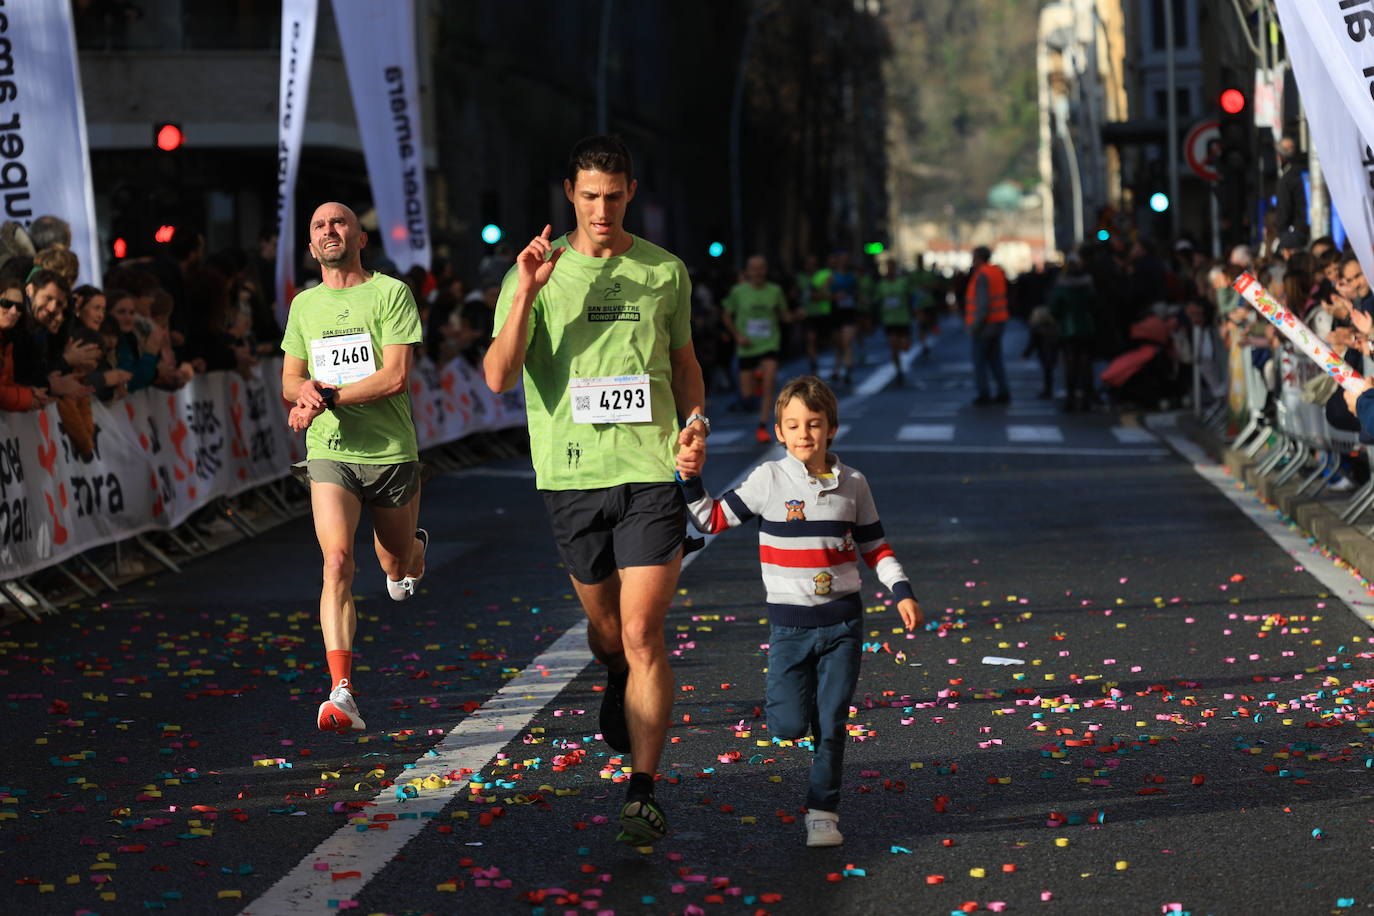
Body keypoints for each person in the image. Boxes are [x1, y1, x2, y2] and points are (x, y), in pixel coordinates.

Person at [483, 135, 707, 846]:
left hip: (649, 471)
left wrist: (694, 423)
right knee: (609, 631)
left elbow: (685, 364)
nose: (602, 209)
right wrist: (527, 292)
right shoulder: (535, 274)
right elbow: (497, 375)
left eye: (613, 196)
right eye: (589, 196)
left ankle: (643, 790)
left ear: (630, 193)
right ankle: (612, 668)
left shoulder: (664, 272)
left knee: (644, 631)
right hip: (572, 473)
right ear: (569, 196)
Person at [677, 375, 921, 847]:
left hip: (844, 623)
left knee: (832, 722)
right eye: (793, 425)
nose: (804, 433)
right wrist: (690, 477)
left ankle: (822, 812)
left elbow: (874, 545)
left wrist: (901, 589)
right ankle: (802, 717)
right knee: (788, 725)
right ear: (778, 432)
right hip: (790, 627)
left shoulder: (854, 484)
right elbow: (711, 518)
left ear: (831, 428)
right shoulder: (770, 479)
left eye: (814, 423)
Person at [280, 201, 430, 734]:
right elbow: (289, 378)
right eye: (318, 224)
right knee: (338, 561)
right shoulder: (304, 306)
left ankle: (412, 551)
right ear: (311, 242)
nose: (329, 230)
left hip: (390, 451)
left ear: (360, 237)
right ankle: (341, 691)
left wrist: (329, 395)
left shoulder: (390, 293)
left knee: (393, 564)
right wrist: (302, 395)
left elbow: (394, 377)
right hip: (331, 451)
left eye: (339, 222)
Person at [721, 254, 790, 442]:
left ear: (766, 270)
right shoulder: (738, 292)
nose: (758, 272)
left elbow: (784, 315)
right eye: (754, 268)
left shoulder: (775, 291)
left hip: (769, 343)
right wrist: (737, 335)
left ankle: (762, 426)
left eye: (762, 268)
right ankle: (757, 381)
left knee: (769, 385)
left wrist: (796, 315)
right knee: (747, 394)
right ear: (748, 271)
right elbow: (726, 315)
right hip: (747, 346)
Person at [965, 246, 1010, 405]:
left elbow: (983, 305)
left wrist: (974, 326)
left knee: (980, 362)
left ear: (979, 258)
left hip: (985, 326)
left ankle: (984, 393)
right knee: (996, 360)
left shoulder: (982, 275)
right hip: (998, 322)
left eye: (973, 256)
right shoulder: (996, 272)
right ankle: (1003, 391)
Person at [0, 277, 50, 411]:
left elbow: (5, 383)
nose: (13, 311)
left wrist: (30, 391)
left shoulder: (9, 341)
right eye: (6, 303)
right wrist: (27, 399)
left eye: (19, 307)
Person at [873, 258, 912, 383]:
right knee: (893, 346)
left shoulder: (903, 282)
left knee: (905, 347)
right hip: (889, 320)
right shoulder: (881, 285)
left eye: (892, 267)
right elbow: (876, 299)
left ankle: (900, 361)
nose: (889, 269)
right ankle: (898, 370)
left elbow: (911, 296)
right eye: (888, 267)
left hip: (903, 318)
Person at [829, 251, 859, 385]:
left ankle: (847, 369)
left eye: (847, 260)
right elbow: (824, 293)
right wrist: (835, 296)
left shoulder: (853, 277)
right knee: (839, 343)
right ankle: (837, 367)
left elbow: (857, 293)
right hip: (836, 313)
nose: (844, 262)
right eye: (842, 259)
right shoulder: (832, 277)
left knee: (847, 341)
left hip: (849, 313)